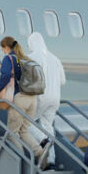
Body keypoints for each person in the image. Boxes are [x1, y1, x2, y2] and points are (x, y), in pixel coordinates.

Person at [0, 36, 48, 165]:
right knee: (23, 131)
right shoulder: (22, 59)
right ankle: (39, 153)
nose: (2, 51)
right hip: (32, 99)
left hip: (20, 99)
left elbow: (5, 76)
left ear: (6, 47)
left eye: (2, 48)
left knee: (12, 133)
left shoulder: (9, 58)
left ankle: (23, 162)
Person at [26, 32, 66, 167]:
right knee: (48, 126)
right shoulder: (55, 59)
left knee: (25, 120)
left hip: (40, 96)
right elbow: (62, 81)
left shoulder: (31, 57)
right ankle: (51, 160)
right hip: (55, 98)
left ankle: (43, 140)